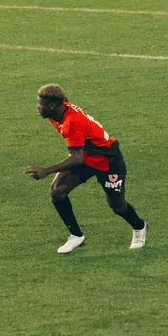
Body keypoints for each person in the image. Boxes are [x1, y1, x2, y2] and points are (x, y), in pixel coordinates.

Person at [25, 84, 148, 253]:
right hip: (87, 157)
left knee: (117, 206)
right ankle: (76, 236)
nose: (37, 107)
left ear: (52, 106)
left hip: (107, 161)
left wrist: (46, 170)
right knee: (57, 192)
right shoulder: (59, 108)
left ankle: (139, 226)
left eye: (40, 103)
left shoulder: (71, 123)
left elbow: (76, 158)